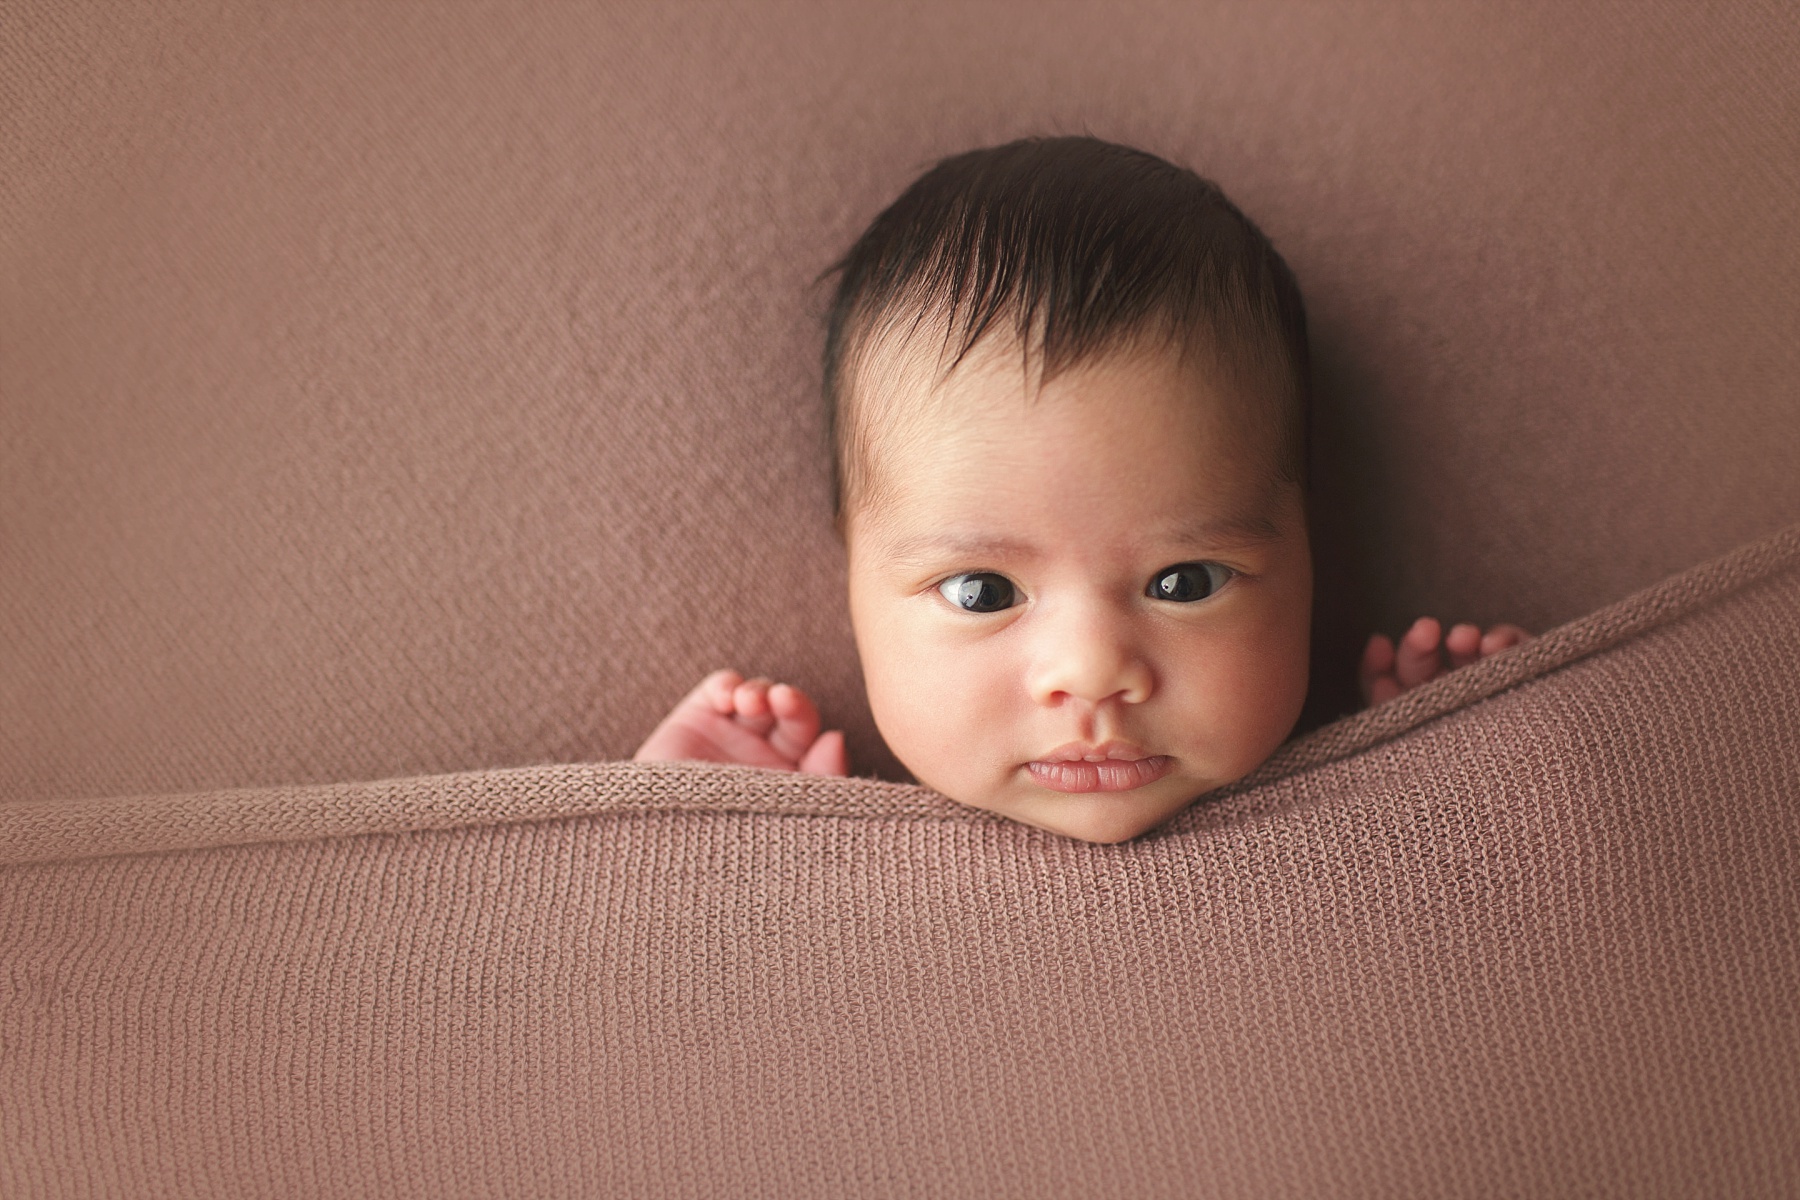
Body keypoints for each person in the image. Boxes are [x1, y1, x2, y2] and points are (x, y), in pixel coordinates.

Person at [635, 137, 1528, 843]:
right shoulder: (827, 875)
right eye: (982, 592)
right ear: (854, 582)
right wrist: (687, 839)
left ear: (1307, 553)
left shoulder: (1354, 824)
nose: (1093, 671)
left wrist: (1445, 779)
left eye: (1184, 582)